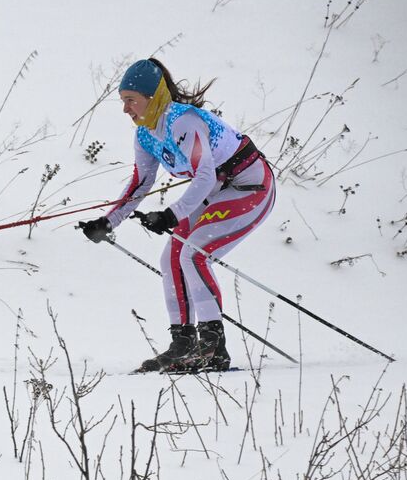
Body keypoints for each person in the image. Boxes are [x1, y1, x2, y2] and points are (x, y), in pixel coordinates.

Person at [77, 58, 276, 372]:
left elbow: (205, 176)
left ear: (153, 97)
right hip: (221, 190)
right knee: (172, 256)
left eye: (131, 100)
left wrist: (171, 216)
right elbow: (140, 185)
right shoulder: (145, 134)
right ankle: (182, 343)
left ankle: (212, 346)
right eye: (123, 101)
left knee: (193, 253)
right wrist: (108, 221)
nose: (126, 109)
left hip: (251, 188)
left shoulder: (182, 121)